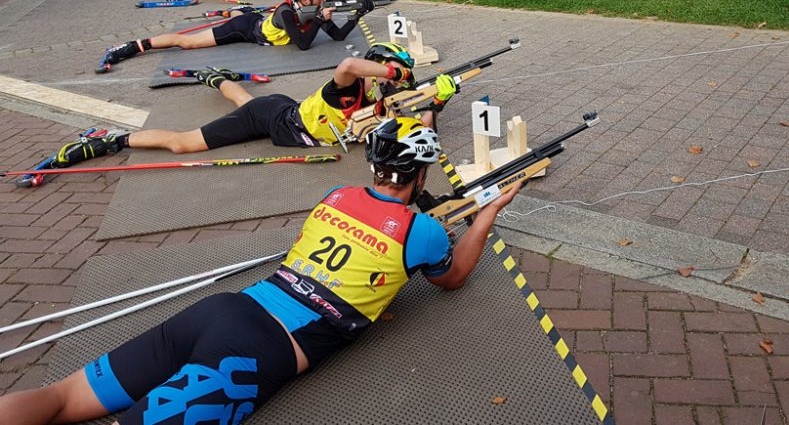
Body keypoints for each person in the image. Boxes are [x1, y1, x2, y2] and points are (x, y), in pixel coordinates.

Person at [0, 116, 520, 425]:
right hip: (256, 351)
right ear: (420, 174)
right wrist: (487, 213)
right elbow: (451, 279)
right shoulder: (422, 232)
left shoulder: (337, 195)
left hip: (228, 308)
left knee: (61, 398)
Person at [64, 43, 455, 160]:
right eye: (389, 71)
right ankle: (112, 139)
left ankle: (217, 80)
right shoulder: (350, 86)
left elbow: (424, 141)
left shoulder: (378, 99)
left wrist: (434, 103)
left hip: (284, 112)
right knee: (183, 143)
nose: (396, 82)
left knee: (247, 103)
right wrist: (396, 73)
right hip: (278, 120)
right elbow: (349, 62)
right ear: (379, 70)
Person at [96, 0, 370, 73]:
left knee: (242, 17)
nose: (323, 0)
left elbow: (336, 37)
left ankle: (233, 14)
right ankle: (129, 47)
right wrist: (319, 21)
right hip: (246, 30)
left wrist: (359, 14)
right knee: (188, 42)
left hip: (256, 23)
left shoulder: (313, 11)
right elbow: (303, 45)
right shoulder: (287, 12)